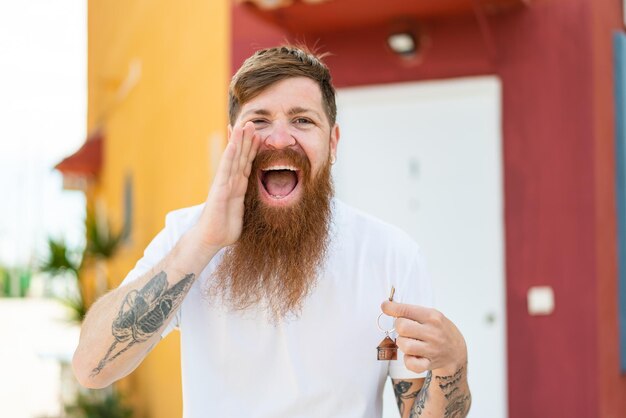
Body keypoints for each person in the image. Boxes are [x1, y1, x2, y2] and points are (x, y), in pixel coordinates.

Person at [72, 45, 471, 418]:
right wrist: (203, 243)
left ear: (333, 143)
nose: (280, 139)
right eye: (258, 121)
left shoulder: (390, 255)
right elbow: (91, 368)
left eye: (302, 120)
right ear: (232, 142)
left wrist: (453, 364)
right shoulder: (187, 235)